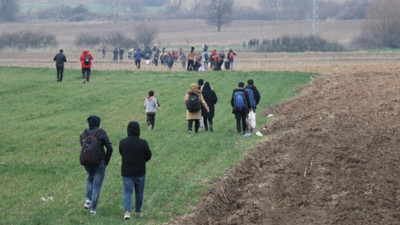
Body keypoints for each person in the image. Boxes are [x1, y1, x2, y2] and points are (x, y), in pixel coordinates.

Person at [79, 115, 113, 215]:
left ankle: (88, 200)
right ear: (98, 123)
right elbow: (110, 148)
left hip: (86, 161)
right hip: (99, 162)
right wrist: (106, 160)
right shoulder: (101, 133)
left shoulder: (83, 133)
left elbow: (82, 145)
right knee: (97, 186)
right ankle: (93, 209)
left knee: (89, 179)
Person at [119, 121, 152, 220]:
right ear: (138, 130)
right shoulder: (143, 142)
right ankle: (137, 211)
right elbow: (148, 155)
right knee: (139, 192)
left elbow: (121, 153)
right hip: (140, 171)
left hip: (126, 172)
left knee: (127, 192)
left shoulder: (122, 142)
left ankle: (127, 212)